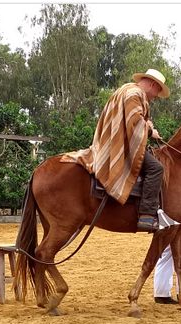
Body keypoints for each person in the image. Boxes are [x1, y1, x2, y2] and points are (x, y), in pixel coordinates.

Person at [60, 68, 170, 232]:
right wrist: (149, 130)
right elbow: (133, 122)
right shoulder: (135, 94)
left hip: (111, 141)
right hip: (118, 147)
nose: (155, 97)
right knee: (156, 168)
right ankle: (146, 216)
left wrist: (146, 124)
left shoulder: (125, 89)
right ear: (152, 84)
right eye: (157, 92)